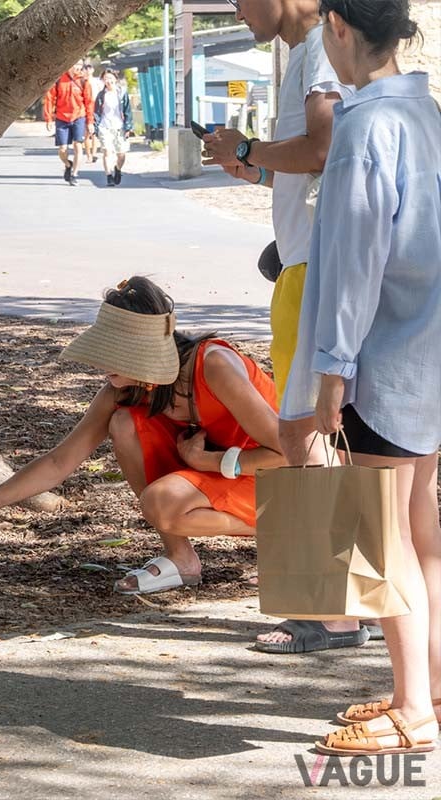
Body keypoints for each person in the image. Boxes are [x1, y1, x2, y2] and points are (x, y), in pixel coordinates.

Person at [278, 0, 440, 757]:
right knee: (419, 529)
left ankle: (414, 707)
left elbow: (350, 266)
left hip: (382, 356)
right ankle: (428, 689)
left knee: (384, 537)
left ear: (338, 26)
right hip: (428, 353)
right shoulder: (427, 114)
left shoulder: (364, 125)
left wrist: (331, 379)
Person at [0, 277, 286, 595]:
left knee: (160, 503)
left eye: (114, 354)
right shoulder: (124, 390)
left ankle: (285, 528)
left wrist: (208, 460)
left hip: (274, 479)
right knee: (124, 423)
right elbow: (60, 461)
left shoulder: (214, 365)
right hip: (221, 471)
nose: (102, 363)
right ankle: (181, 558)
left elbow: (287, 453)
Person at [202, 0, 359, 654]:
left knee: (304, 436)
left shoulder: (321, 46)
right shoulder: (305, 52)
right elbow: (309, 161)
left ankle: (335, 615)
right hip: (306, 265)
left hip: (313, 269)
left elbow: (324, 149)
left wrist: (245, 146)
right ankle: (348, 605)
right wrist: (254, 166)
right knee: (315, 437)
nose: (237, 7)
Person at [43, 63, 95, 187]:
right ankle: (68, 164)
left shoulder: (83, 81)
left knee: (78, 145)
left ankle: (75, 175)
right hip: (62, 117)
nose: (77, 67)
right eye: (75, 64)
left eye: (79, 65)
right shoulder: (59, 79)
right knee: (62, 149)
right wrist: (49, 118)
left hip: (79, 117)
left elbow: (89, 102)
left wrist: (90, 121)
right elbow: (50, 98)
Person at [93, 69, 133, 187]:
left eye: (110, 78)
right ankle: (109, 176)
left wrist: (128, 127)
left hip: (119, 127)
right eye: (105, 79)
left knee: (121, 154)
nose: (108, 81)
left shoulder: (122, 93)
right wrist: (95, 127)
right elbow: (96, 113)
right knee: (107, 151)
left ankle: (118, 169)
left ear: (115, 79)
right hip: (105, 126)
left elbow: (128, 111)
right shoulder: (101, 95)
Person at [81, 63, 104, 165]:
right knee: (86, 134)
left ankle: (94, 154)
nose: (87, 70)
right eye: (85, 69)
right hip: (85, 107)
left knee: (95, 133)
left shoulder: (97, 82)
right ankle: (88, 155)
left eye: (89, 68)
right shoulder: (82, 81)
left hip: (96, 107)